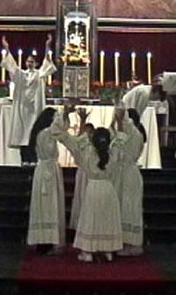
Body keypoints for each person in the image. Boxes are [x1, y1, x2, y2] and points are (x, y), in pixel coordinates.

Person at [50, 104, 131, 263]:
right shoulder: (113, 152)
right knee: (106, 218)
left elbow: (72, 139)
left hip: (93, 188)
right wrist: (119, 121)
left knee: (90, 218)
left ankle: (87, 250)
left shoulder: (87, 152)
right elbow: (122, 137)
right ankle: (107, 249)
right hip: (108, 189)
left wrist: (79, 119)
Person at [1, 34, 57, 166]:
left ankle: (33, 159)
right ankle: (24, 159)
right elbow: (11, 65)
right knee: (23, 135)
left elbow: (48, 65)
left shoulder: (39, 74)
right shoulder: (20, 75)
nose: (30, 63)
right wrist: (7, 49)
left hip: (34, 110)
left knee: (34, 133)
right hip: (23, 111)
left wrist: (47, 46)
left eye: (32, 61)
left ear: (36, 63)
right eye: (28, 61)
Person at [26, 107, 66, 255]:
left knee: (47, 206)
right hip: (47, 172)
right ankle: (46, 241)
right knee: (48, 206)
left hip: (45, 170)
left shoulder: (43, 133)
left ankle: (46, 240)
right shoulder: (45, 134)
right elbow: (51, 147)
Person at [110, 108, 146, 257]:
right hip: (128, 173)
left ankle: (131, 242)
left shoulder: (128, 135)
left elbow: (115, 153)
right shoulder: (136, 134)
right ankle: (126, 241)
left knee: (129, 206)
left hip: (126, 173)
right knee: (126, 206)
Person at [69, 112, 94, 231]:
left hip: (92, 177)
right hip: (82, 175)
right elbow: (78, 142)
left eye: (90, 132)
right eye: (86, 132)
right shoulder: (82, 145)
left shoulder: (95, 148)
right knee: (80, 198)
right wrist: (82, 121)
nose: (87, 135)